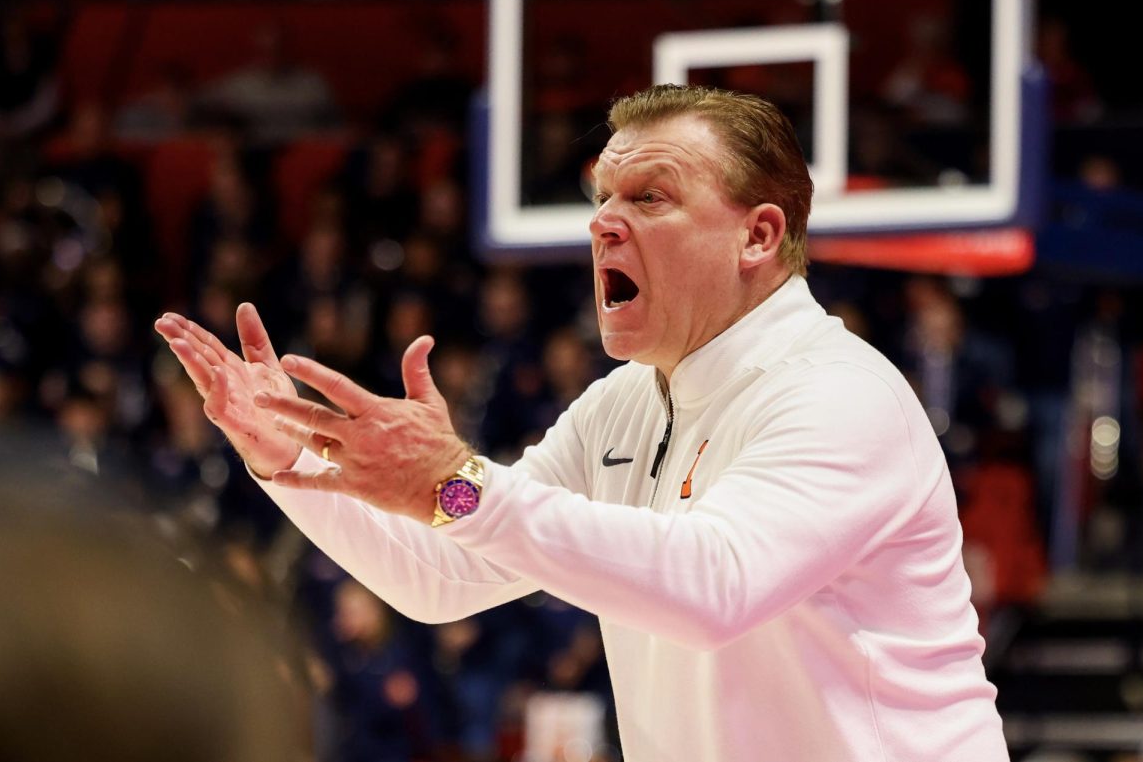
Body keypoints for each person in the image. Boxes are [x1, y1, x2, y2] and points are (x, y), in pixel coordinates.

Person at [157, 84, 1009, 761]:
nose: (603, 222)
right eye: (603, 197)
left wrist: (455, 481)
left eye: (649, 196)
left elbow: (715, 585)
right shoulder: (626, 401)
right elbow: (441, 575)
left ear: (758, 235)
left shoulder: (838, 392)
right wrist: (286, 459)